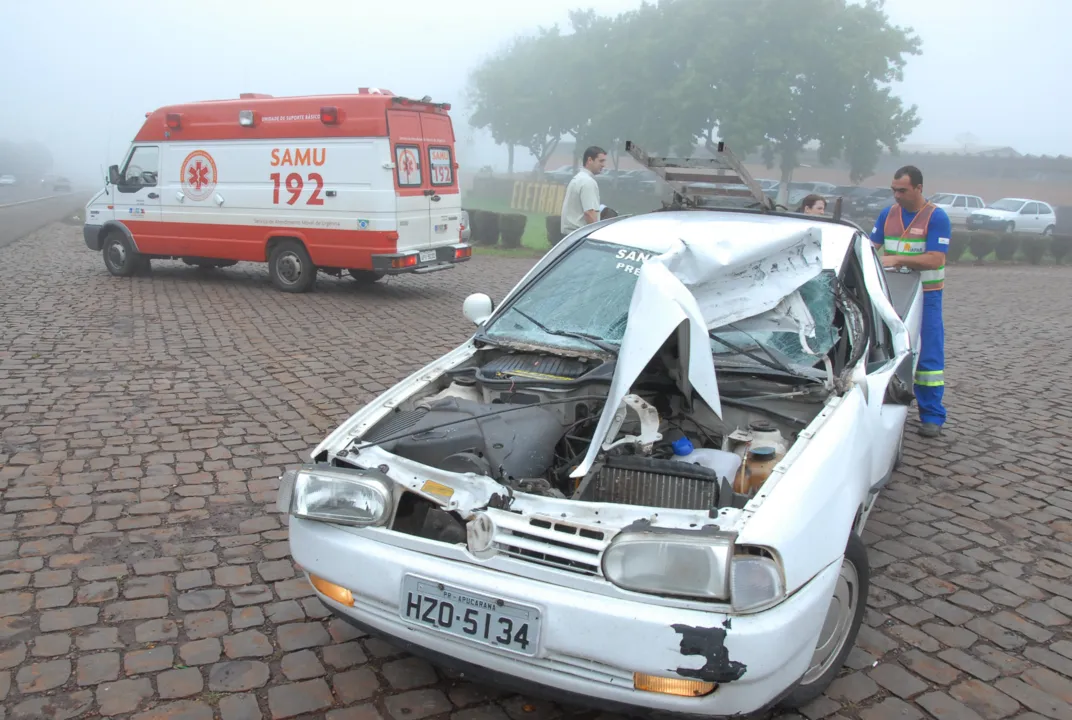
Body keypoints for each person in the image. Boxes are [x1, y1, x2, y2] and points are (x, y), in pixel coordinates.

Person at [870, 165, 951, 438]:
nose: (896, 195)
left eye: (902, 190)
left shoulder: (936, 217)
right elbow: (873, 248)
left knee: (928, 354)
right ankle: (883, 405)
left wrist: (898, 259)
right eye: (893, 190)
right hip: (892, 294)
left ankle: (932, 415)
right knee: (885, 349)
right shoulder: (888, 214)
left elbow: (936, 259)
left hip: (927, 295)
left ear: (918, 188)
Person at [560, 146, 606, 236]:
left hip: (570, 236)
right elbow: (589, 213)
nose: (603, 165)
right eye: (601, 161)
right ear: (589, 160)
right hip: (580, 237)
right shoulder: (588, 182)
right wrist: (597, 236)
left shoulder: (578, 178)